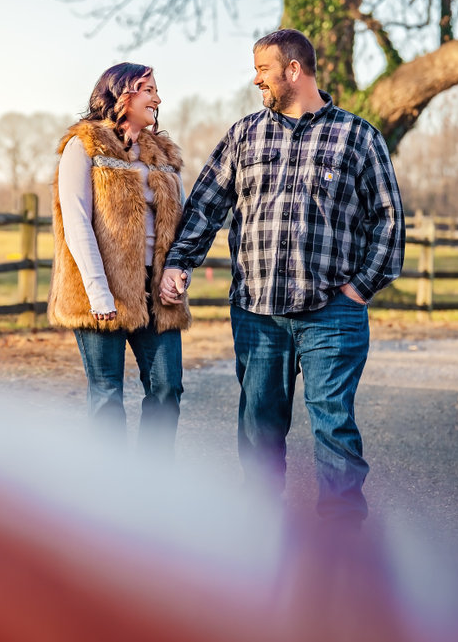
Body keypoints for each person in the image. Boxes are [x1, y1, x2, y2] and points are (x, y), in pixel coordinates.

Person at [159, 29, 404, 524]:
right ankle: (261, 526)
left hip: (332, 313)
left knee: (333, 424)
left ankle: (341, 537)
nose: (256, 80)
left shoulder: (358, 136)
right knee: (258, 427)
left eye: (263, 70)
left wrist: (359, 289)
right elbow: (207, 206)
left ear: (293, 70)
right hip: (256, 312)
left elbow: (389, 221)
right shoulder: (244, 134)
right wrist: (180, 262)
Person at [47, 63, 191, 455]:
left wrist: (180, 275)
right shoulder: (84, 146)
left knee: (167, 386)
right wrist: (98, 292)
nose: (157, 98)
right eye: (149, 89)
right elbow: (75, 222)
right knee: (108, 393)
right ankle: (110, 492)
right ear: (123, 94)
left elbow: (179, 223)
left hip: (155, 291)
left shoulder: (161, 152)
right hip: (100, 289)